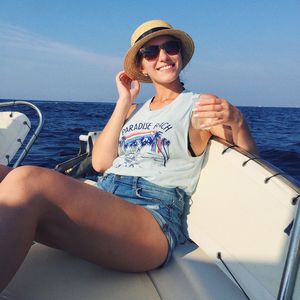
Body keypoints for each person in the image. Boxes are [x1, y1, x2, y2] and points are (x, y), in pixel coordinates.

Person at [0, 19, 257, 291]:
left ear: (180, 54)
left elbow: (247, 160)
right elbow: (101, 163)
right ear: (141, 65)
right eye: (150, 52)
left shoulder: (198, 106)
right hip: (107, 196)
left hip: (151, 217)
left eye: (171, 47)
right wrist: (123, 101)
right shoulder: (137, 110)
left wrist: (238, 123)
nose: (163, 57)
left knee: (28, 180)